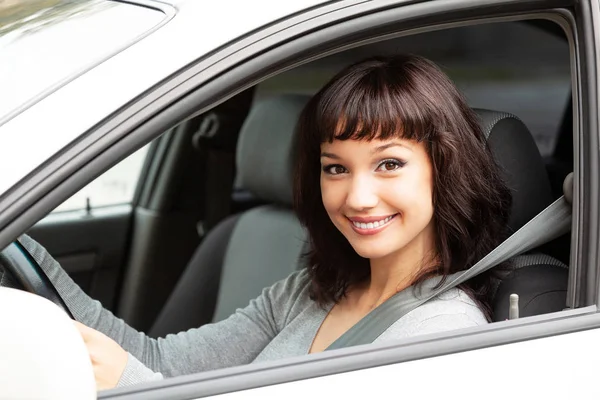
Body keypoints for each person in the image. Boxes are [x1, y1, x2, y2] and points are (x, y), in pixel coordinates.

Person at [25, 54, 513, 390]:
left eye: (389, 164)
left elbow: (140, 376)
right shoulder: (310, 291)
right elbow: (161, 364)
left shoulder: (443, 336)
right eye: (336, 168)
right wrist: (22, 246)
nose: (359, 197)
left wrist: (131, 386)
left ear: (441, 170)